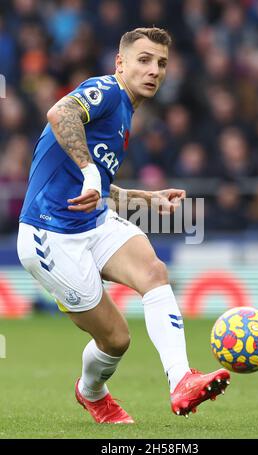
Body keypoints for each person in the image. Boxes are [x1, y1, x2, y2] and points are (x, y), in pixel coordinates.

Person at [17, 27, 230, 424]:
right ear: (120, 63)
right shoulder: (107, 90)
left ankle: (182, 379)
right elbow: (60, 113)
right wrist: (89, 172)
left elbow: (94, 185)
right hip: (50, 236)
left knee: (153, 270)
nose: (154, 70)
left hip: (93, 222)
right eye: (144, 60)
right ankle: (91, 392)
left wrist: (142, 199)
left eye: (162, 63)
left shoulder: (126, 111)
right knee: (116, 340)